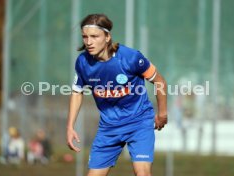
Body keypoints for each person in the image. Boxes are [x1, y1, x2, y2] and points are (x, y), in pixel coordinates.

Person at [67, 14, 167, 176]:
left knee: (142, 173)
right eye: (85, 37)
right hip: (109, 127)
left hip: (139, 122)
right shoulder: (83, 62)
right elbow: (77, 92)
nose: (88, 42)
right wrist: (70, 126)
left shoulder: (131, 58)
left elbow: (160, 82)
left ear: (107, 37)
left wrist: (162, 113)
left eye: (94, 36)